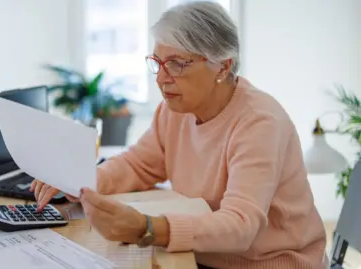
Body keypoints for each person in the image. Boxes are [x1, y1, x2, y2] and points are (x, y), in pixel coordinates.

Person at [30, 2, 328, 268]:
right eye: (157, 63)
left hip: (268, 262)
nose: (161, 78)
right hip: (203, 253)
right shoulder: (173, 110)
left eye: (176, 64)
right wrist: (78, 180)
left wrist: (146, 228)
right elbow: (138, 164)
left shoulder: (259, 123)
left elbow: (240, 226)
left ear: (222, 67)